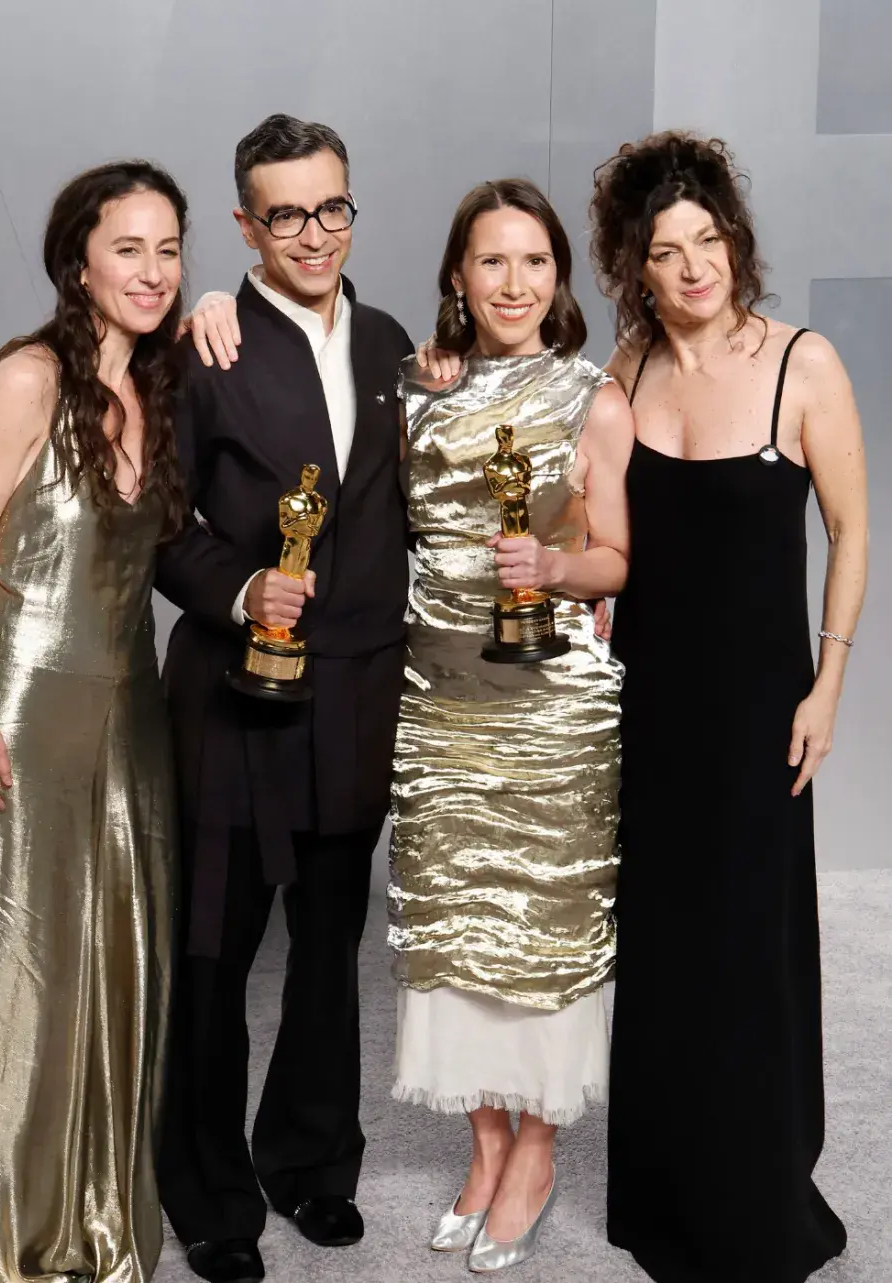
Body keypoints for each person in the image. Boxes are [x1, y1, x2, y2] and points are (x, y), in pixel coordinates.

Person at [0, 161, 186, 1283]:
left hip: (131, 724)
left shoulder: (158, 391)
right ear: (79, 260)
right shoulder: (24, 379)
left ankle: (84, 1214)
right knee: (14, 971)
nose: (153, 272)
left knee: (104, 969)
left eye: (170, 250)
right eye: (129, 249)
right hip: (17, 714)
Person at [590, 132, 867, 1283]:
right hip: (651, 711)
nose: (694, 265)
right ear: (636, 268)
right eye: (667, 249)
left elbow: (852, 530)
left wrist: (830, 681)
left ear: (733, 244)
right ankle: (664, 1187)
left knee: (751, 951)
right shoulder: (626, 375)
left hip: (762, 713)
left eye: (708, 239)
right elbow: (603, 541)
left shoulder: (806, 363)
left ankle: (756, 1186)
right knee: (664, 951)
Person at [152, 114, 412, 1283]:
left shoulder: (397, 345)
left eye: (334, 207)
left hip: (356, 697)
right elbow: (158, 525)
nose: (317, 233)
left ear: (353, 206)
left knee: (328, 948)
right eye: (289, 214)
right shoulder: (200, 345)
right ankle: (207, 1190)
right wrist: (245, 581)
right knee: (212, 955)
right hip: (231, 699)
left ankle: (310, 1162)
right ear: (250, 224)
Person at [389, 178, 634, 1274]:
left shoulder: (596, 396)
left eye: (535, 261)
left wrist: (557, 563)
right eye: (492, 261)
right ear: (456, 275)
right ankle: (483, 1145)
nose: (514, 283)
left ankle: (536, 1152)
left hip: (552, 704)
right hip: (439, 698)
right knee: (453, 925)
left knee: (541, 929)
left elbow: (617, 558)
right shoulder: (416, 392)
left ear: (559, 279)